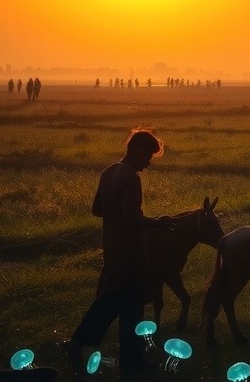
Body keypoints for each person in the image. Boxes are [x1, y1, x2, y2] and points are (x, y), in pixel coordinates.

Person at [64, 129, 174, 374]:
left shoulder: (110, 171)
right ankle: (79, 342)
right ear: (138, 152)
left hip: (113, 246)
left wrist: (116, 216)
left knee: (130, 305)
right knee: (114, 300)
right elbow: (131, 218)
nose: (148, 163)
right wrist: (158, 222)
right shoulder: (131, 178)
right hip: (130, 251)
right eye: (148, 157)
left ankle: (131, 361)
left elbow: (97, 209)